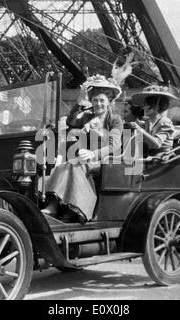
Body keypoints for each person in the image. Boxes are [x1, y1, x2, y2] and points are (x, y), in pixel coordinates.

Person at [42, 74, 124, 224]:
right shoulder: (87, 116)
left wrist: (93, 154)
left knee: (75, 166)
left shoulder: (115, 119)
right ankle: (56, 206)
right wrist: (79, 101)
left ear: (109, 101)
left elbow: (114, 146)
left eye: (102, 101)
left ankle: (77, 209)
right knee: (65, 165)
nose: (98, 104)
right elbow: (71, 121)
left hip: (104, 161)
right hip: (82, 157)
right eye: (95, 100)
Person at [128, 85, 176, 157]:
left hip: (162, 159)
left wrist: (139, 129)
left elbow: (157, 144)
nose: (144, 107)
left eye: (148, 104)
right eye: (144, 104)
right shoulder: (147, 122)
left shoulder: (165, 122)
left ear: (158, 106)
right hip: (148, 157)